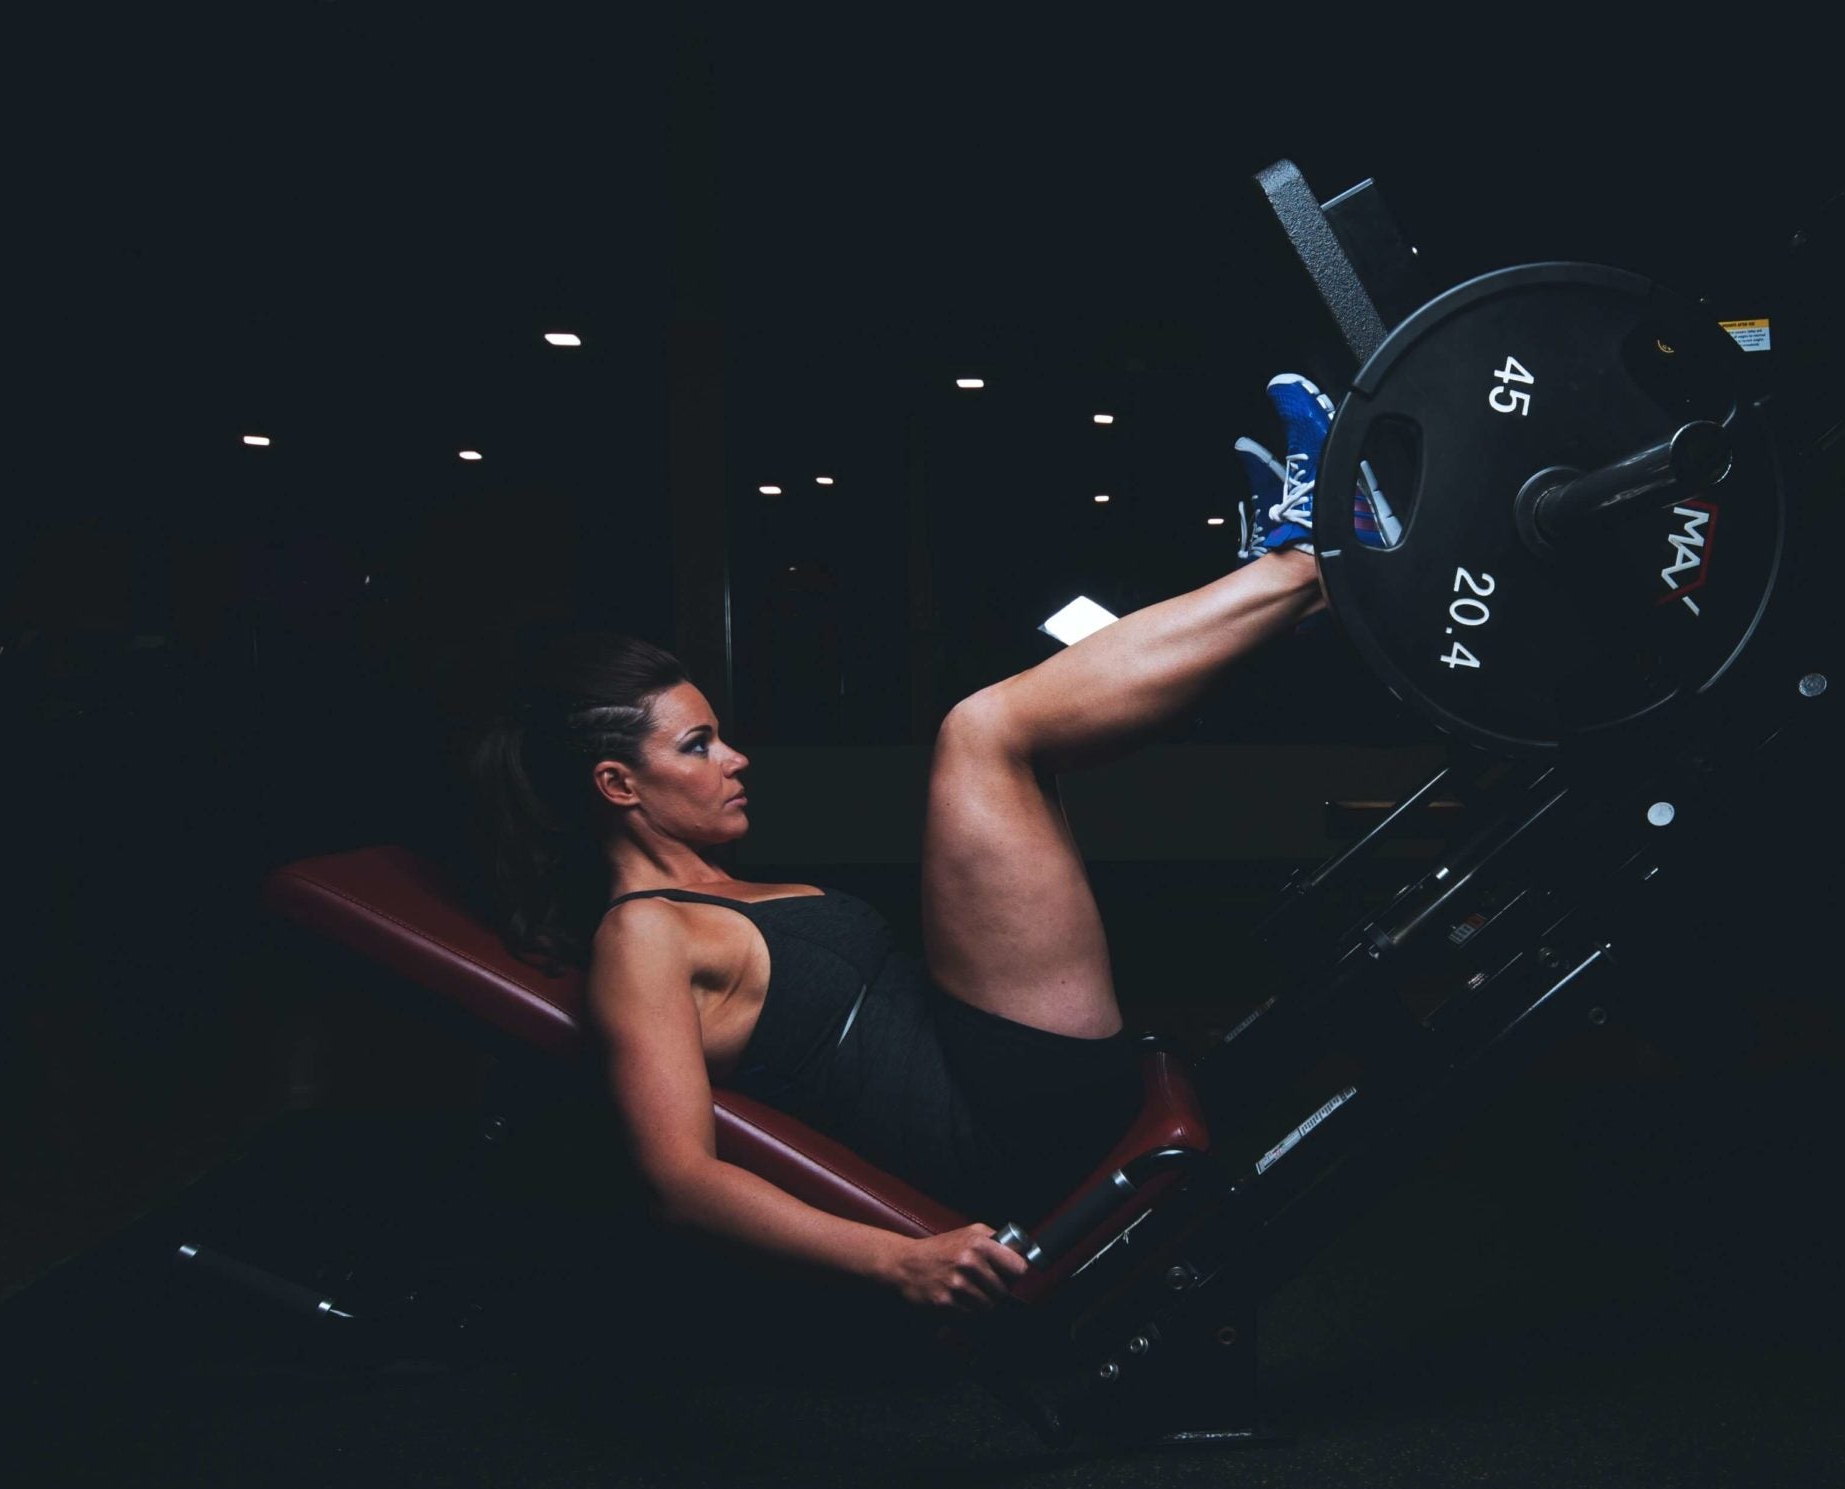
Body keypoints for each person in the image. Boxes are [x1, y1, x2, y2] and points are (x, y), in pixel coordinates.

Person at [470, 376, 1377, 1314]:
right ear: (618, 787)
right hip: (1000, 1130)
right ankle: (1310, 557)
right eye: (698, 746)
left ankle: (1293, 591)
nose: (737, 759)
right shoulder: (642, 939)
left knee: (1020, 751)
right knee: (983, 735)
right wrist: (896, 1260)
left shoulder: (715, 893)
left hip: (998, 1073)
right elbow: (677, 1180)